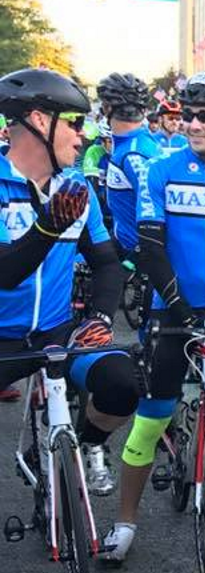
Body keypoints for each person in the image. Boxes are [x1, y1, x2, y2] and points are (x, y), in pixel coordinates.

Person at [101, 71, 205, 563]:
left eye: (204, 116)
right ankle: (126, 521)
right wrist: (182, 310)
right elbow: (151, 249)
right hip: (172, 311)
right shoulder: (161, 169)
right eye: (186, 115)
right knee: (152, 416)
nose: (193, 125)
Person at [0, 68, 140, 495]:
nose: (84, 136)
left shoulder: (76, 187)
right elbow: (5, 273)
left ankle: (82, 446)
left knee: (123, 384)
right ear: (40, 120)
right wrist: (45, 230)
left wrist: (98, 316)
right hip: (3, 336)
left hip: (57, 330)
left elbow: (107, 264)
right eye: (76, 123)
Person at [97, 73, 162, 259]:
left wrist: (136, 260)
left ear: (106, 108)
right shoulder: (140, 143)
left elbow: (155, 214)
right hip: (125, 243)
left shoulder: (133, 154)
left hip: (132, 254)